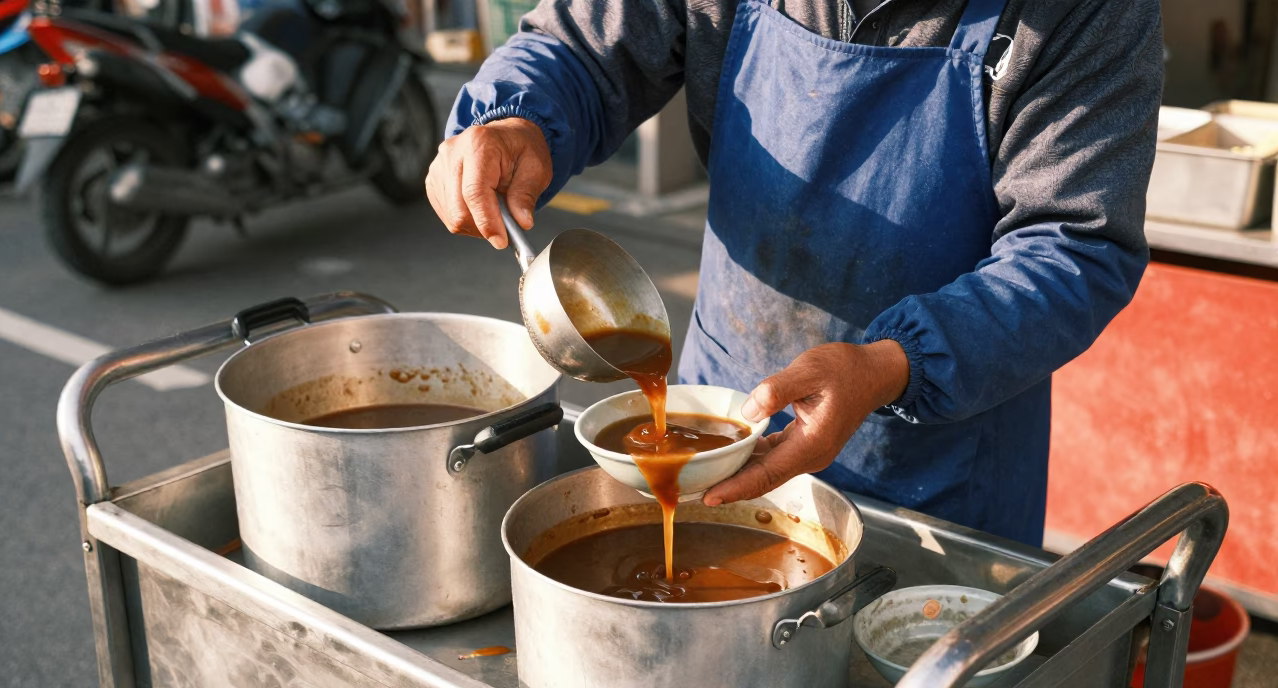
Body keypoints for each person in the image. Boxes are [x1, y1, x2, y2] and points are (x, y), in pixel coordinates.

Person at [425, 0, 1162, 546]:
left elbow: (1073, 243)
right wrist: (516, 117)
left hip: (937, 470)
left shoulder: (1085, 12)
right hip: (719, 412)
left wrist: (891, 365)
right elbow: (584, 46)